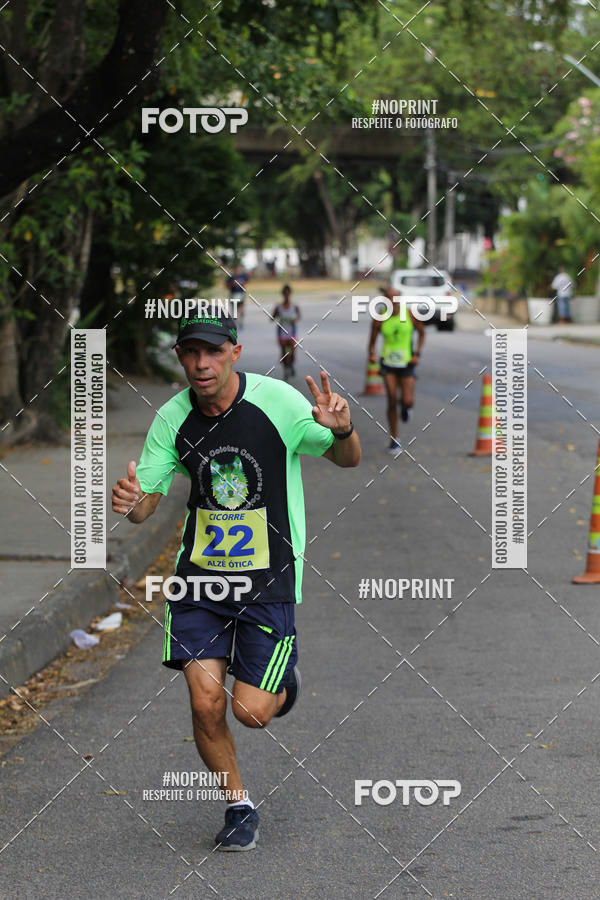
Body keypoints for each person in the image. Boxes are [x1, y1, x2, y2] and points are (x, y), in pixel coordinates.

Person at [111, 307, 360, 852]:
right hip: (199, 583)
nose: (202, 364)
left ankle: (280, 683)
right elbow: (145, 504)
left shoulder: (279, 403)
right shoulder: (172, 418)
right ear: (181, 358)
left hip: (268, 582)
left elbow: (347, 459)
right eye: (191, 353)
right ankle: (238, 805)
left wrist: (343, 429)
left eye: (214, 352)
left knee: (251, 713)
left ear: (235, 354)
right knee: (205, 703)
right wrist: (131, 504)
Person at [367, 285, 425, 455]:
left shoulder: (410, 315)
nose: (393, 301)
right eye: (389, 298)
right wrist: (372, 354)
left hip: (407, 363)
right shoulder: (379, 318)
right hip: (388, 363)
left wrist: (417, 354)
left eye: (396, 298)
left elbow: (422, 333)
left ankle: (407, 408)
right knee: (392, 398)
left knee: (407, 400)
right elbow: (371, 344)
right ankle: (395, 439)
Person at [272, 284, 301, 379]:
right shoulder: (279, 307)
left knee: (292, 352)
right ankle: (286, 370)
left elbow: (299, 316)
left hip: (292, 332)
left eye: (288, 294)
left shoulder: (294, 307)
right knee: (284, 352)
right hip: (281, 333)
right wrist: (275, 314)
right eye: (285, 294)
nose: (286, 295)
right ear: (283, 294)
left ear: (290, 294)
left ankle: (291, 364)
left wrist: (295, 319)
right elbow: (272, 318)